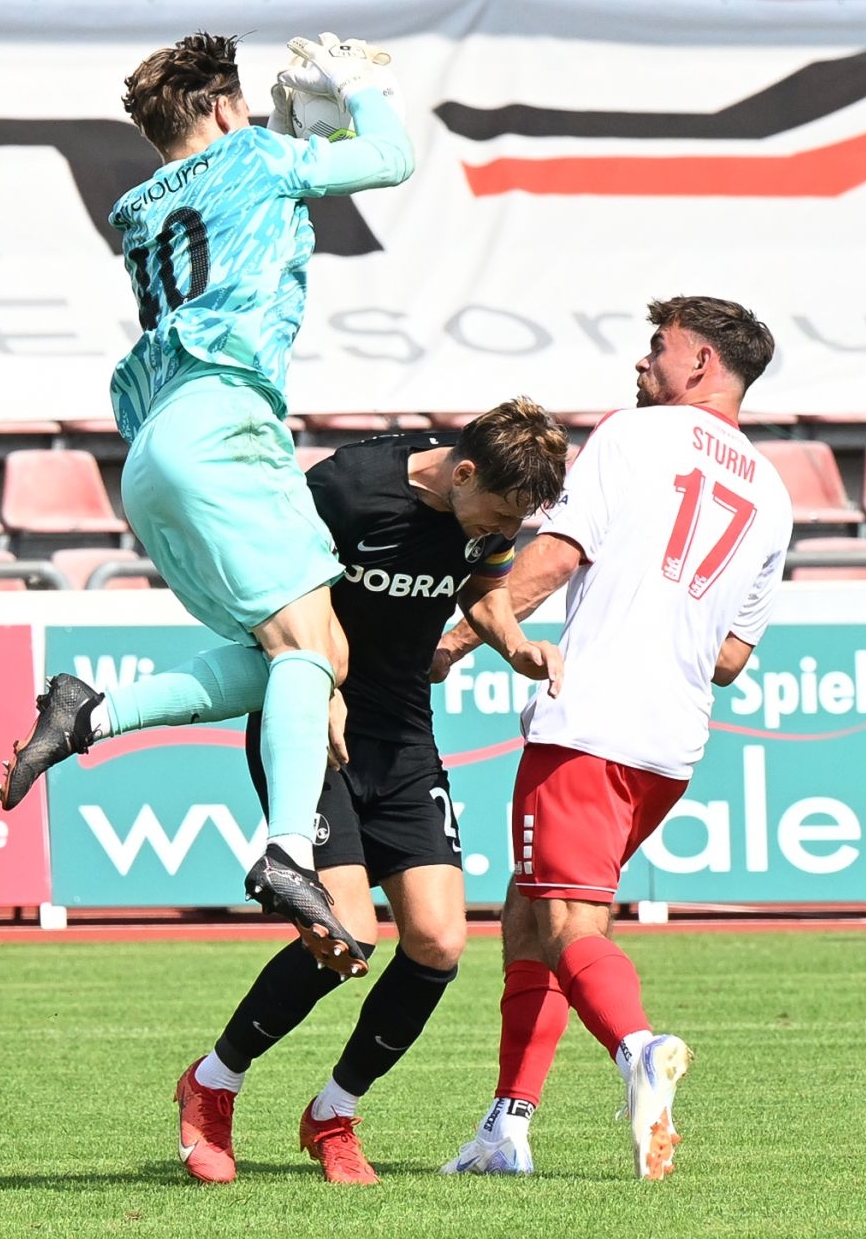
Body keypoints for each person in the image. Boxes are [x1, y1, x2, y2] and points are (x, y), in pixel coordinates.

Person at [0, 32, 415, 978]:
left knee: (299, 655)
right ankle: (288, 851)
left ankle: (89, 715)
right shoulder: (256, 156)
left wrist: (295, 132)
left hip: (153, 448)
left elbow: (240, 203)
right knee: (313, 652)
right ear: (226, 110)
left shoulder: (142, 206)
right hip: (225, 420)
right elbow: (390, 159)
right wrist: (357, 93)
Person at [434, 297, 792, 1181]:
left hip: (590, 721)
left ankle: (640, 1046)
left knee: (563, 921)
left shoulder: (633, 435)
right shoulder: (772, 491)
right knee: (531, 908)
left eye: (657, 347)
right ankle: (507, 1126)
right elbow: (732, 657)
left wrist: (451, 641)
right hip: (670, 742)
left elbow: (555, 558)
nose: (642, 362)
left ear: (701, 362)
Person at [173, 398, 569, 1185]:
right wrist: (318, 684)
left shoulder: (488, 514)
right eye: (497, 515)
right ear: (462, 472)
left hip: (404, 740)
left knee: (439, 942)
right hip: (308, 727)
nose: (501, 532)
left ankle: (334, 1111)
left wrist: (514, 643)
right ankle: (213, 1082)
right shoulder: (346, 489)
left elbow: (483, 587)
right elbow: (267, 597)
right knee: (347, 935)